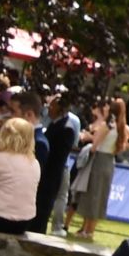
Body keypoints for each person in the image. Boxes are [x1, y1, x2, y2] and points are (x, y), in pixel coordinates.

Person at [68, 98, 129, 242]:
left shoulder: (107, 125)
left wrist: (89, 139)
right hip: (110, 161)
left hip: (98, 160)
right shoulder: (122, 127)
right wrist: (119, 148)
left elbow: (94, 146)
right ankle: (87, 229)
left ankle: (88, 230)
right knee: (101, 195)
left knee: (92, 193)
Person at [34, 92, 81, 235]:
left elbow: (58, 157)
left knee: (43, 208)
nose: (50, 109)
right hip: (44, 173)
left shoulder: (66, 128)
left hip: (50, 176)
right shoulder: (55, 124)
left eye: (53, 106)